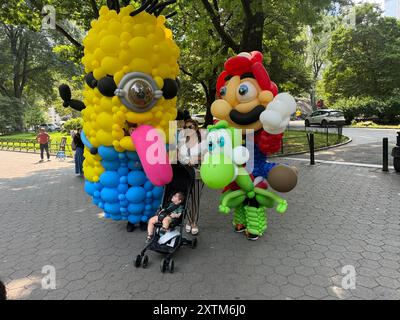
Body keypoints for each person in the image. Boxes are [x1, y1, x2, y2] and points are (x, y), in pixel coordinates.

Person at [177, 119, 207, 235]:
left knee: (195, 199)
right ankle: (189, 220)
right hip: (184, 173)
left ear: (195, 128)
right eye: (185, 127)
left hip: (197, 173)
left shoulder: (202, 142)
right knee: (185, 198)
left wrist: (194, 160)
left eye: (191, 127)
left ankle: (194, 222)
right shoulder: (182, 142)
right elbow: (179, 156)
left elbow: (205, 157)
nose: (188, 129)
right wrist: (186, 161)